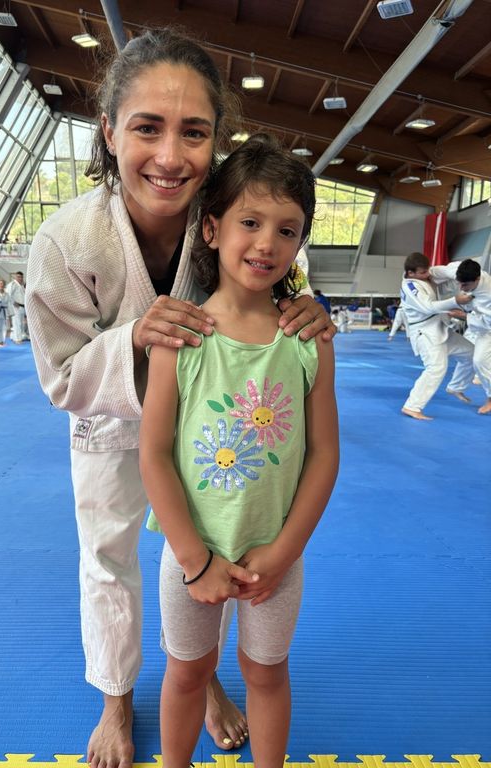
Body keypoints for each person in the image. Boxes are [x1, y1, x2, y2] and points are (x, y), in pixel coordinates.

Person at [25, 29, 334, 768]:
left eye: (193, 132)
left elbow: (281, 268)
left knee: (220, 546)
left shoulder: (232, 208)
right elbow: (61, 377)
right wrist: (135, 337)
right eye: (146, 128)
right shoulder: (67, 241)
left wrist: (309, 310)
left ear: (215, 140)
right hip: (111, 416)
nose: (170, 156)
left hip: (230, 424)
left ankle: (206, 678)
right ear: (109, 132)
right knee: (109, 556)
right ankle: (116, 701)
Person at [139, 133, 339, 768]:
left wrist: (283, 553)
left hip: (274, 555)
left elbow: (324, 455)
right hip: (190, 551)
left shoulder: (308, 341)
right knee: (187, 673)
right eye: (250, 222)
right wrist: (195, 560)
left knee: (266, 673)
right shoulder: (182, 338)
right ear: (212, 228)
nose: (267, 243)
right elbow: (154, 454)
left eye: (287, 229)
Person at [400, 251, 473, 420]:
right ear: (411, 273)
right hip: (425, 333)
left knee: (472, 353)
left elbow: (447, 270)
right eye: (423, 272)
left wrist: (462, 274)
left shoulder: (427, 276)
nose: (427, 274)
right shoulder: (410, 286)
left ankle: (456, 386)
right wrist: (455, 301)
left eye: (427, 270)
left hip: (440, 327)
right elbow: (428, 307)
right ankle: (412, 406)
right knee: (436, 368)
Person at [432, 259, 491, 415]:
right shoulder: (461, 270)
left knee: (480, 360)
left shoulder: (488, 295)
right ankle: (456, 387)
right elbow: (438, 270)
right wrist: (421, 276)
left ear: (477, 279)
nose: (461, 287)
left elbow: (487, 323)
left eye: (465, 285)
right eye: (459, 283)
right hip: (475, 317)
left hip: (487, 327)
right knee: (468, 353)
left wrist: (464, 316)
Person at [6, 271, 27, 344]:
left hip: (22, 306)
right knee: (16, 323)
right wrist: (13, 302)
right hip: (16, 306)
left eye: (21, 277)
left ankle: (14, 336)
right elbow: (8, 294)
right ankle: (17, 339)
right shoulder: (12, 284)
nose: (20, 278)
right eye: (18, 277)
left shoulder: (21, 285)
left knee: (20, 323)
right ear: (15, 277)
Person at [0, 279, 9, 346]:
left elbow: (8, 303)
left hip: (4, 311)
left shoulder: (7, 294)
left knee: (4, 327)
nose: (1, 285)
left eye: (3, 284)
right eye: (0, 283)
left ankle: (2, 341)